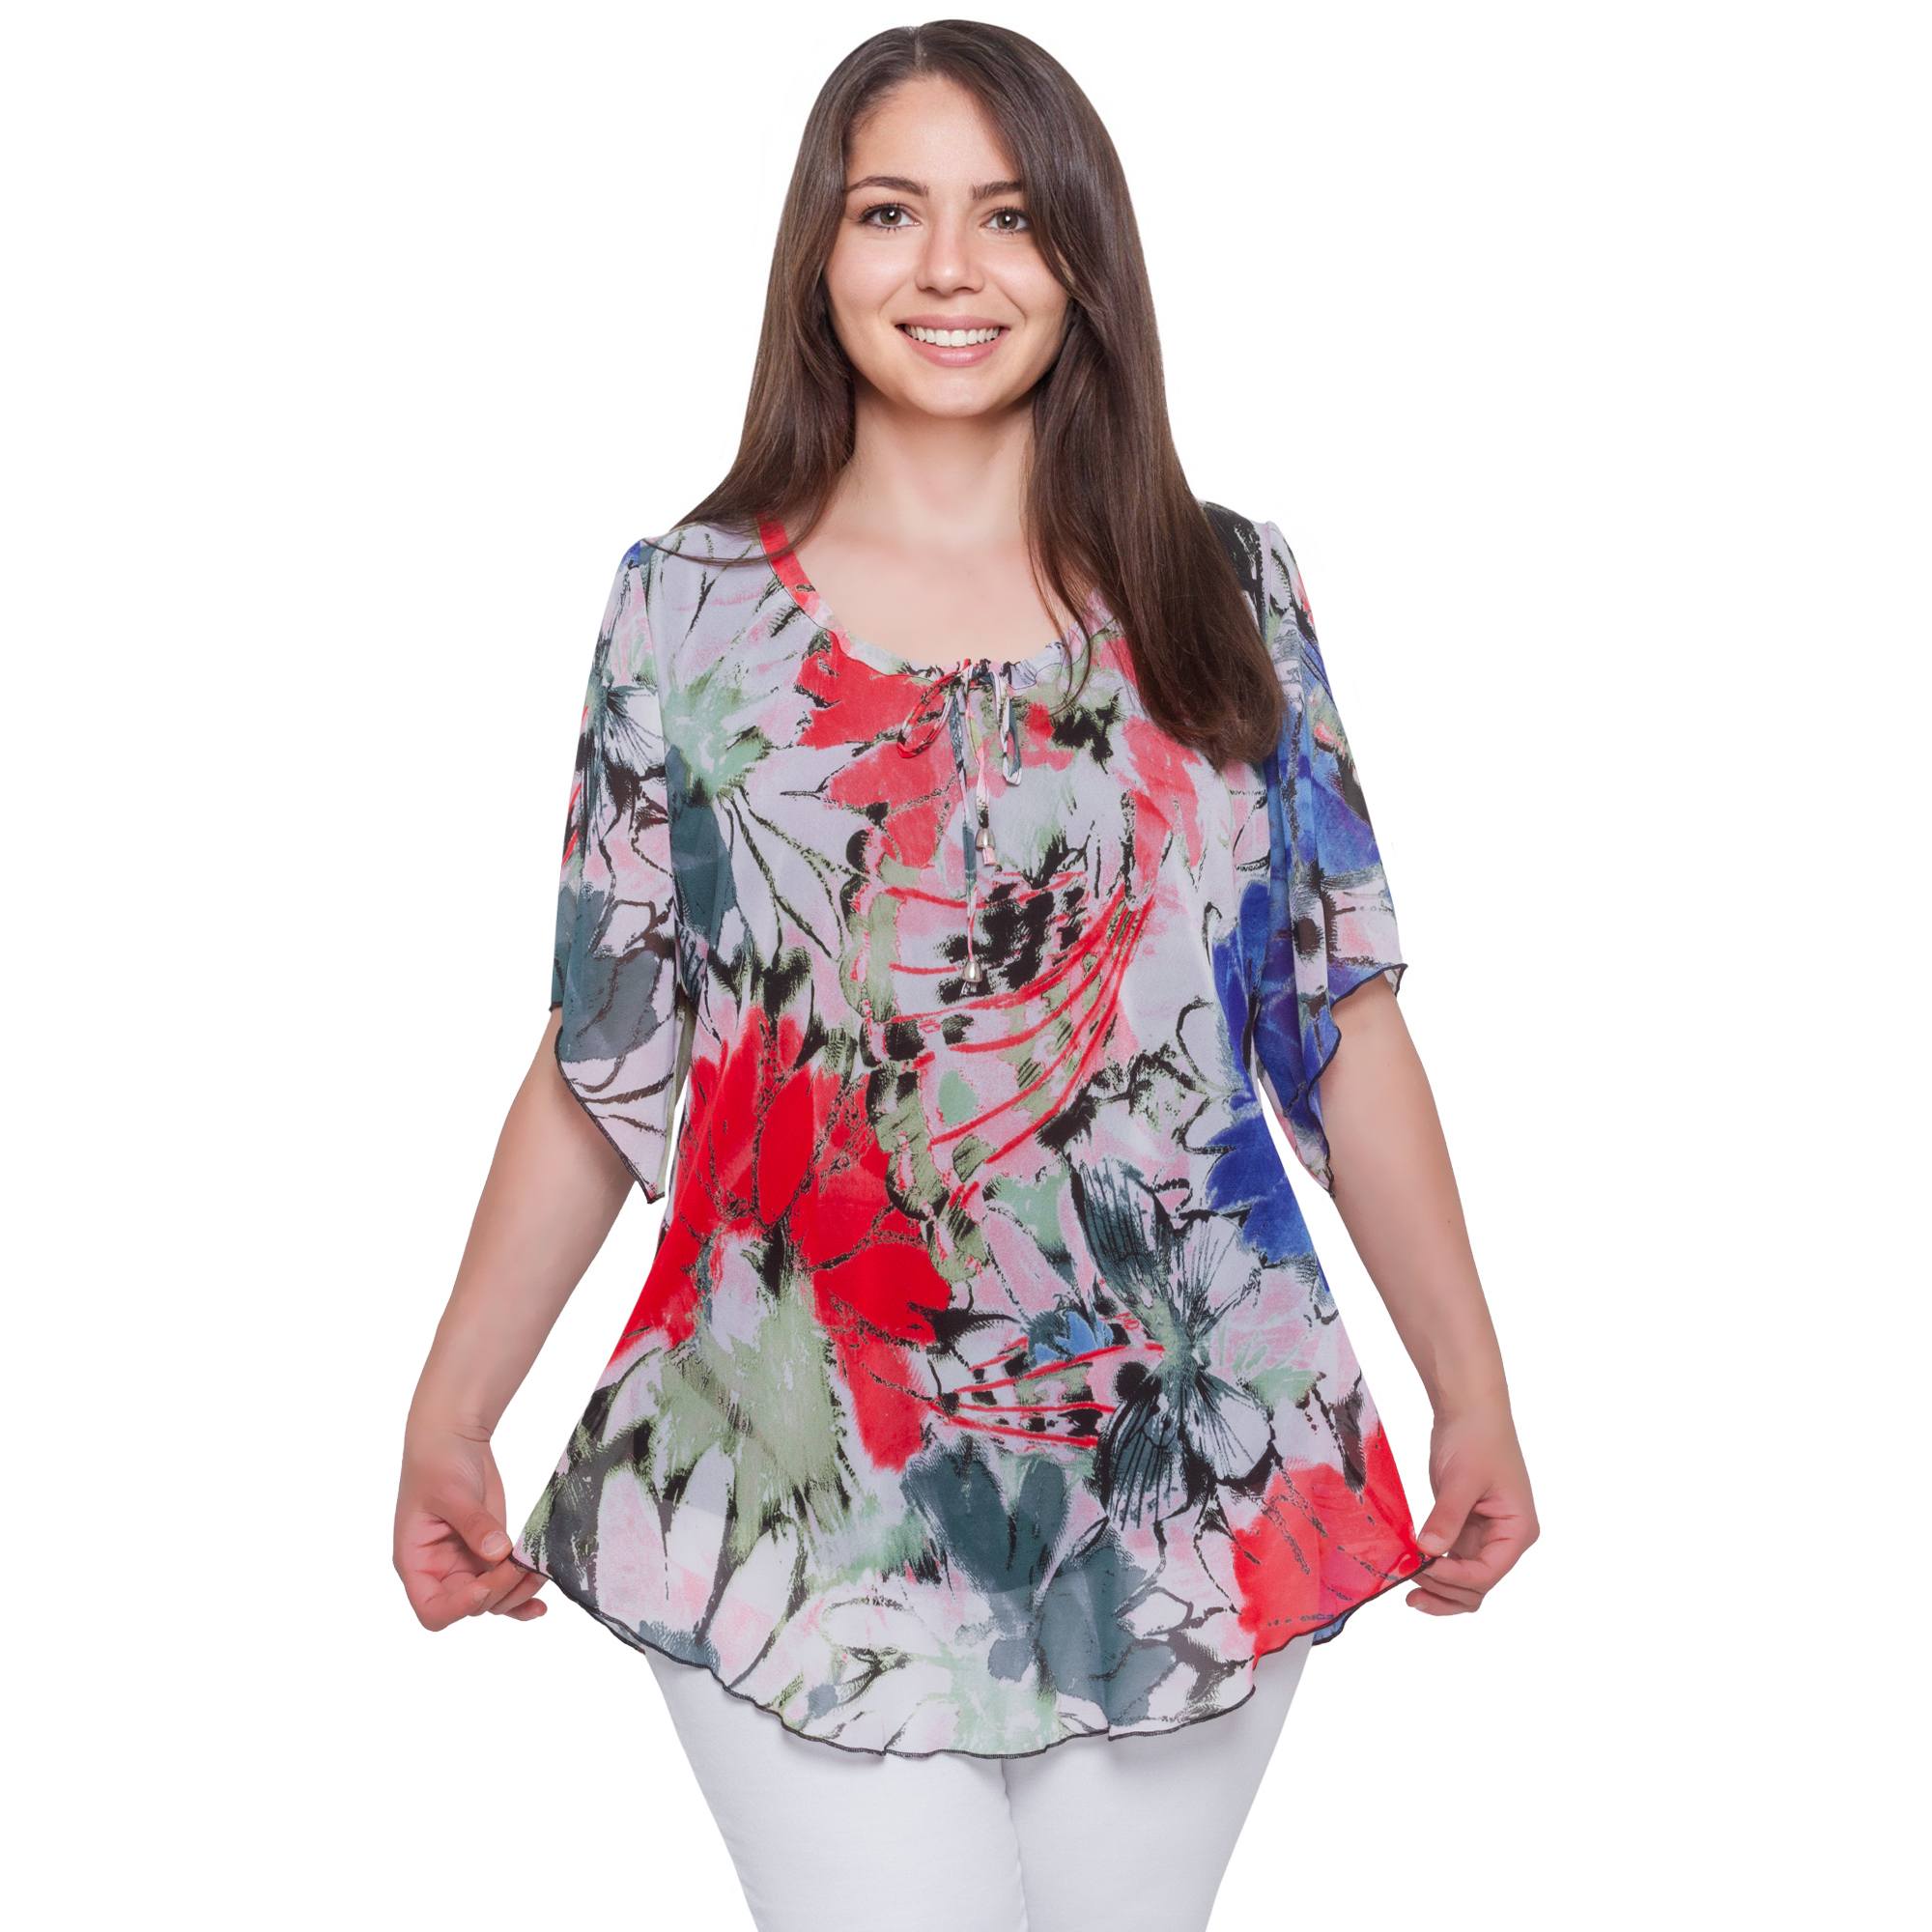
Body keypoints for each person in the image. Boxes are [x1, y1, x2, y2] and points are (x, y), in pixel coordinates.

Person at [394, 21, 1537, 1932]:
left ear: (1083, 256)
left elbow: (1337, 1020)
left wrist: (1471, 1387)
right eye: (890, 213)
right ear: (818, 254)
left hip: (1183, 1460)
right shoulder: (687, 609)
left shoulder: (1226, 593)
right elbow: (610, 1055)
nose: (949, 268)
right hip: (799, 1457)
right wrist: (453, 1405)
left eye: (1008, 216)